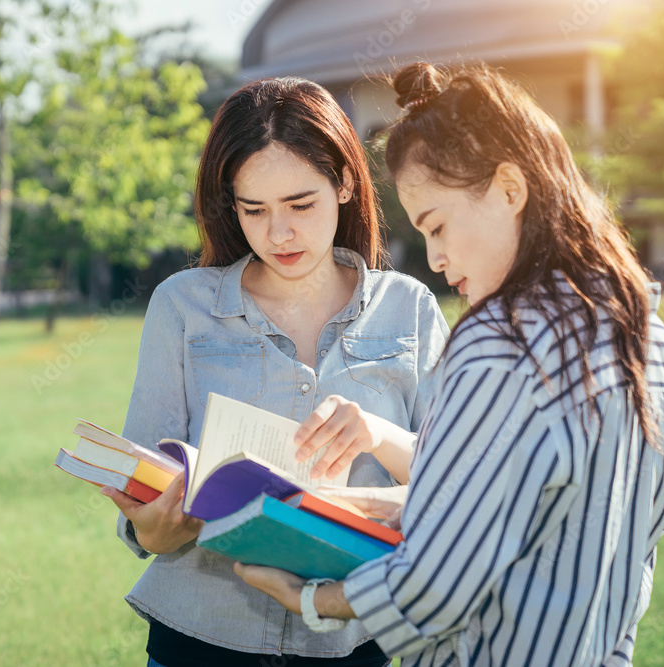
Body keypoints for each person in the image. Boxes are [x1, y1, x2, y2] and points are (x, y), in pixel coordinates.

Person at [235, 62, 664, 667]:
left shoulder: (500, 342)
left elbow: (439, 582)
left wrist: (316, 599)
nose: (438, 260)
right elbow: (594, 510)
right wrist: (378, 504)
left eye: (437, 226)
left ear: (509, 188)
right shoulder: (654, 342)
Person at [102, 76, 450, 667]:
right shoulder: (182, 305)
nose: (279, 233)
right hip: (200, 639)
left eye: (300, 204)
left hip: (354, 638)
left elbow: (457, 480)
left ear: (343, 184)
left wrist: (377, 437)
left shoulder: (408, 307)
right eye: (254, 209)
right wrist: (153, 528)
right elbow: (146, 489)